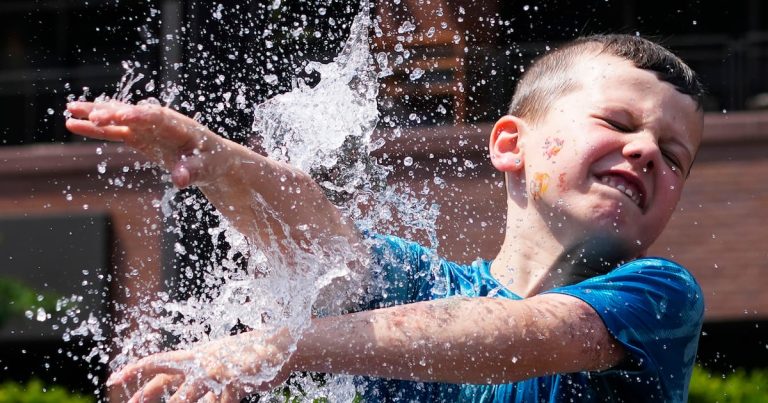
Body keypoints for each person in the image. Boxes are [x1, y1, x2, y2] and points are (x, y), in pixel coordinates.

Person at [65, 34, 705, 402]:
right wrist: (221, 163)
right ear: (511, 144)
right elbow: (318, 241)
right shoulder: (425, 288)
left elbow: (520, 333)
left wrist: (275, 348)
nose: (647, 150)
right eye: (617, 124)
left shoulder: (658, 298)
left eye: (674, 157)